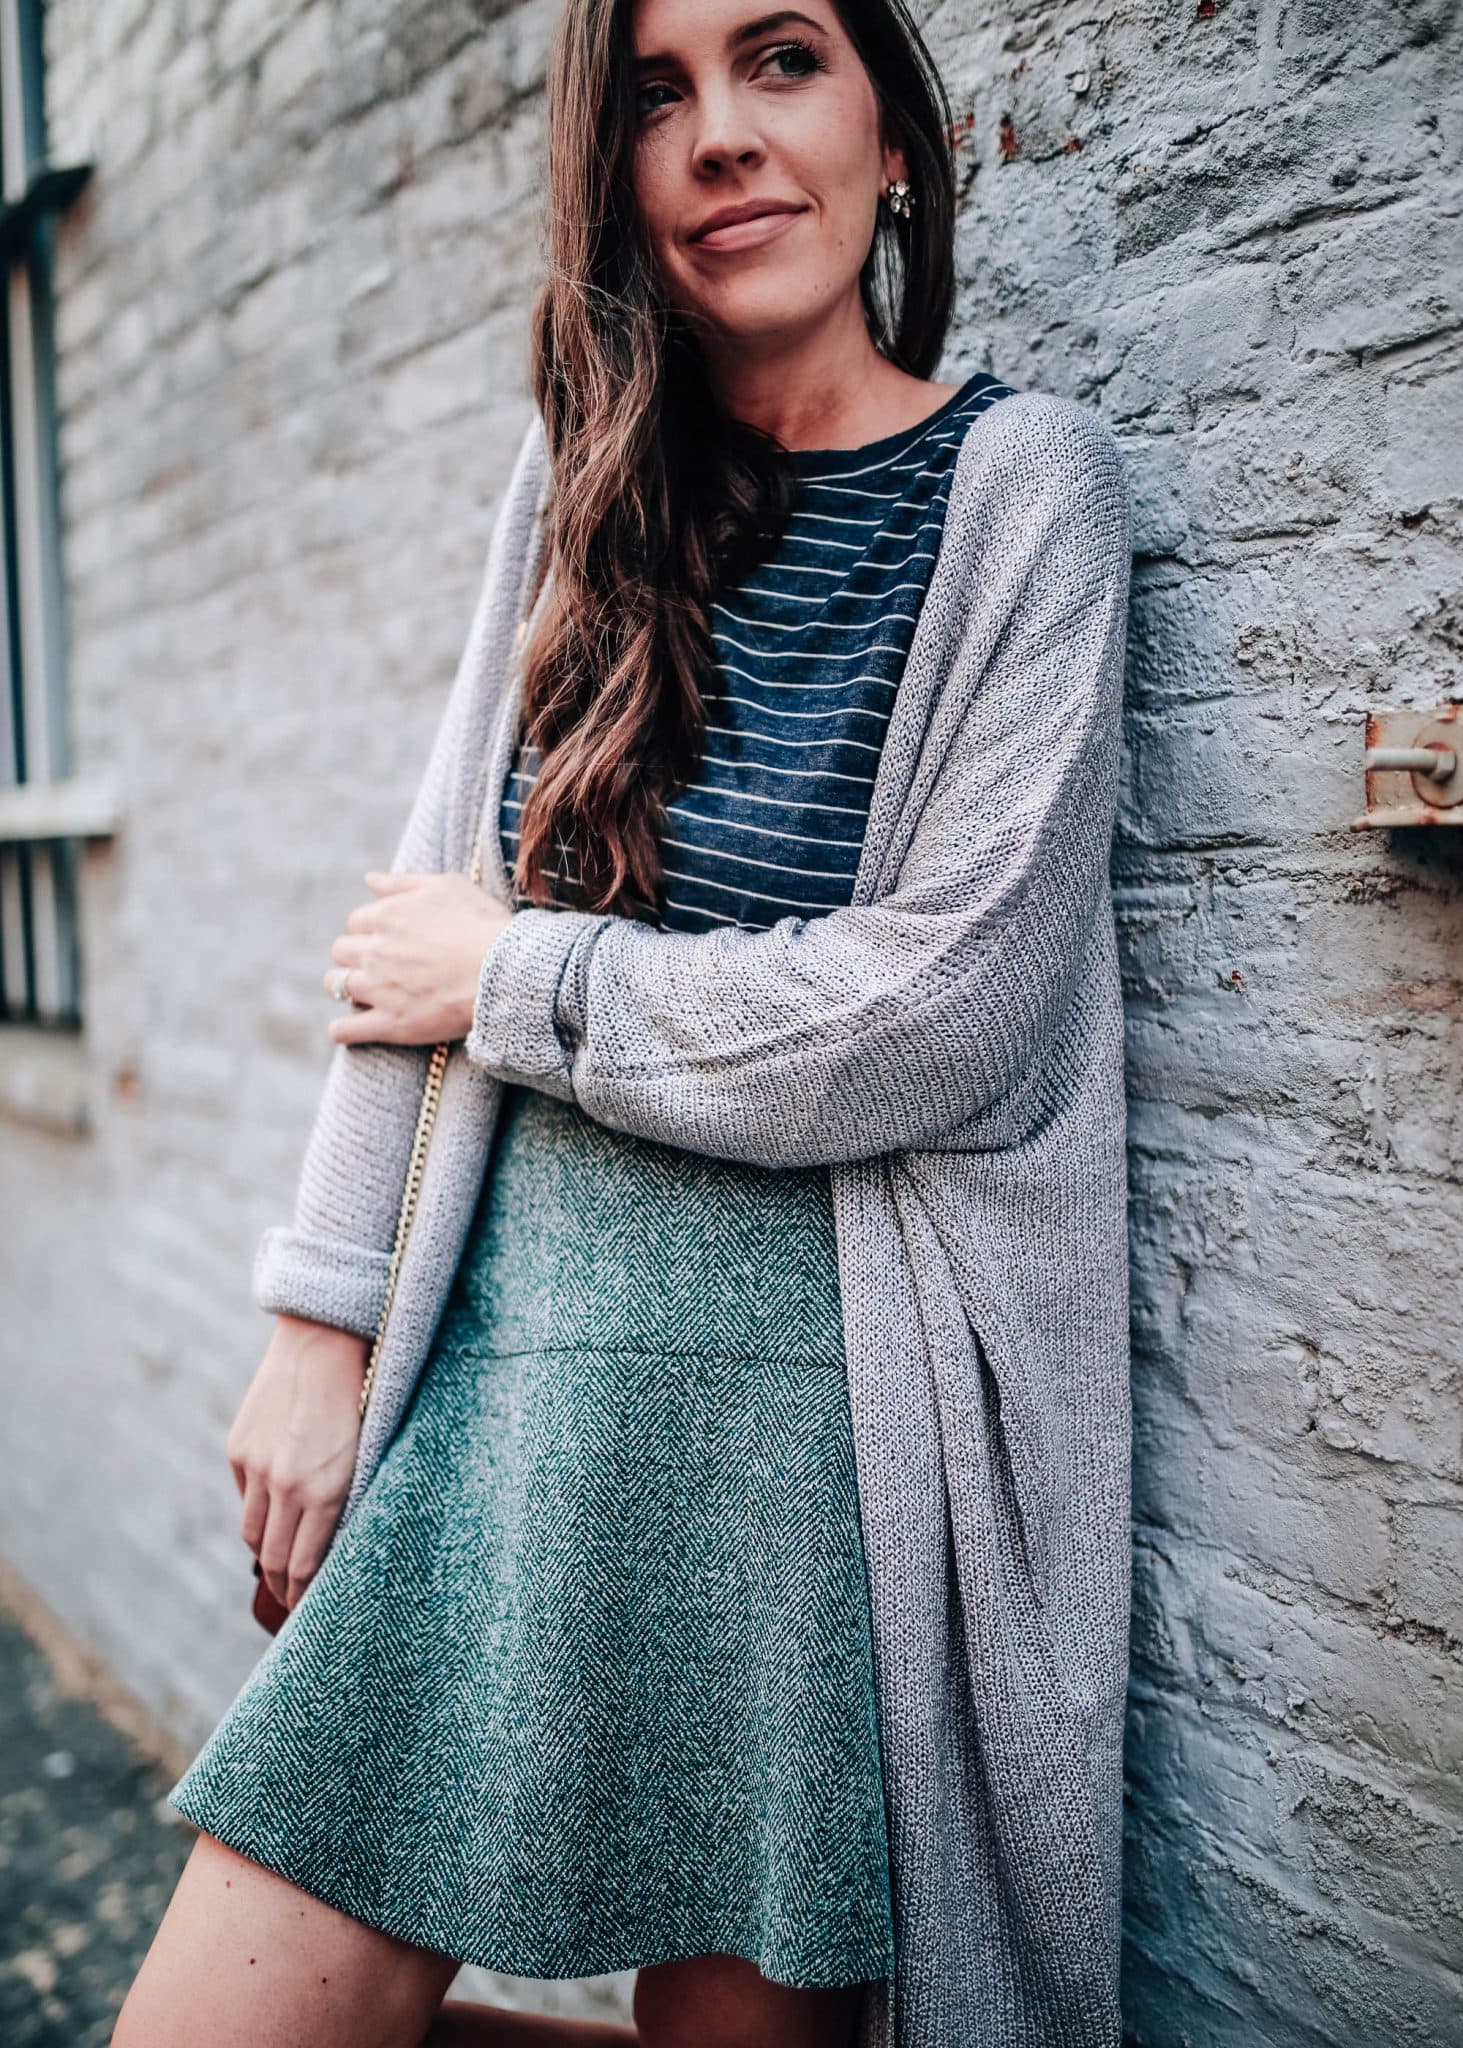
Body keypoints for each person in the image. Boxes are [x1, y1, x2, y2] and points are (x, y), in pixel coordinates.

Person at [113, 2, 1134, 2045]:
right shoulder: (581, 476)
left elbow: (944, 1009)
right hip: (509, 1368)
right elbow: (423, 898)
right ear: (616, 180)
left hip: (823, 1452)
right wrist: (321, 1317)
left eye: (781, 65)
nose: (722, 140)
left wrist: (522, 980)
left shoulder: (1025, 488)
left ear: (898, 139)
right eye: (658, 96)